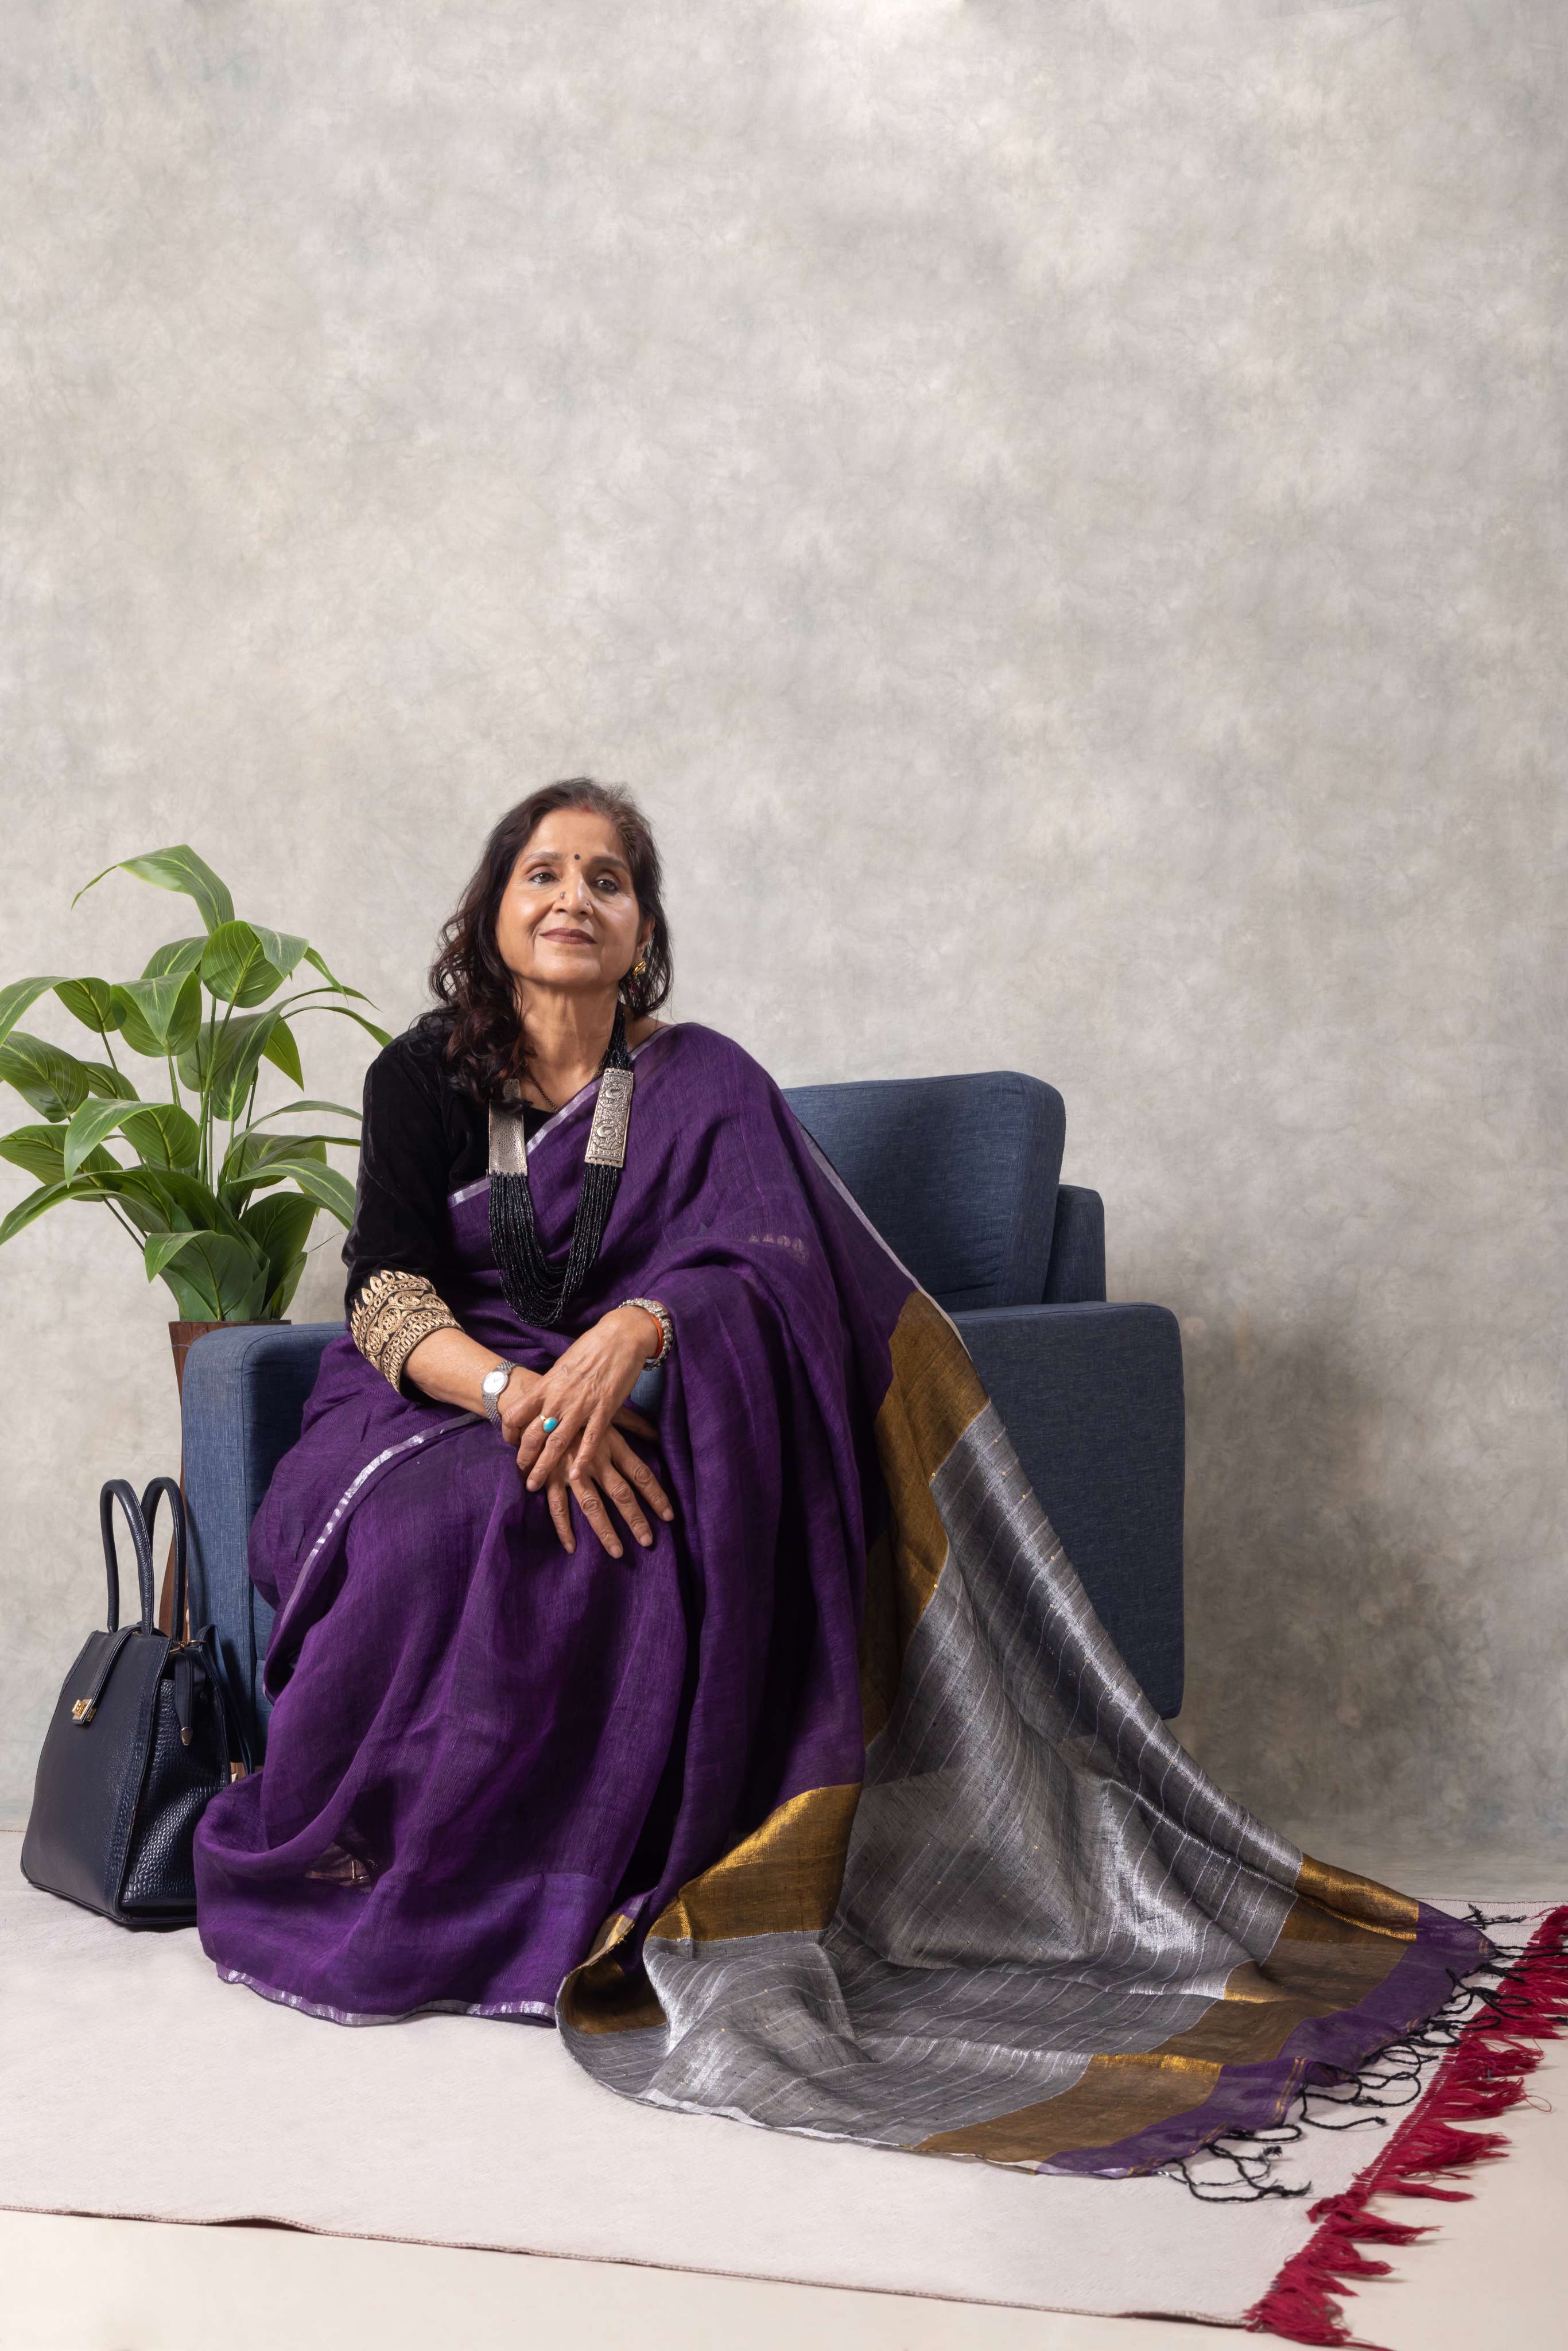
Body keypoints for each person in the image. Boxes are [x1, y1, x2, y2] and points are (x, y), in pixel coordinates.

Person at [193, 779, 1489, 2175]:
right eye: (544, 872)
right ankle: (402, 1863)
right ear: (494, 906)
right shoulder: (423, 1076)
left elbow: (769, 1264)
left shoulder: (701, 1081)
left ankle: (591, 1884)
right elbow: (385, 1289)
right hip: (443, 1388)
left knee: (623, 1527)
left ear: (643, 929)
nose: (574, 896)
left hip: (649, 1404)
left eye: (609, 878)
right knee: (439, 1519)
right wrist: (521, 1393)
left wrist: (634, 1332)